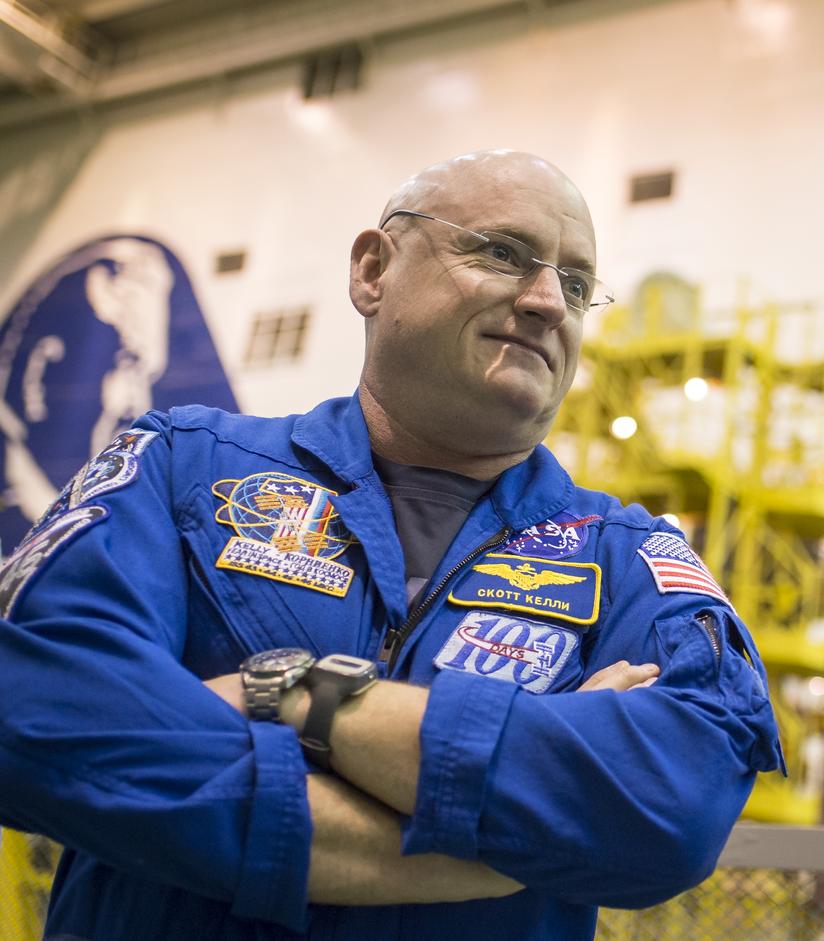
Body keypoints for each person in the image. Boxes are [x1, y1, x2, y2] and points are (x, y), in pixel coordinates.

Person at [0, 150, 783, 940]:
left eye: (577, 286)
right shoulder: (183, 467)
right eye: (502, 252)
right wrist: (463, 845)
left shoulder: (626, 558)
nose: (549, 301)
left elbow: (677, 798)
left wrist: (302, 696)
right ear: (373, 271)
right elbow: (36, 699)